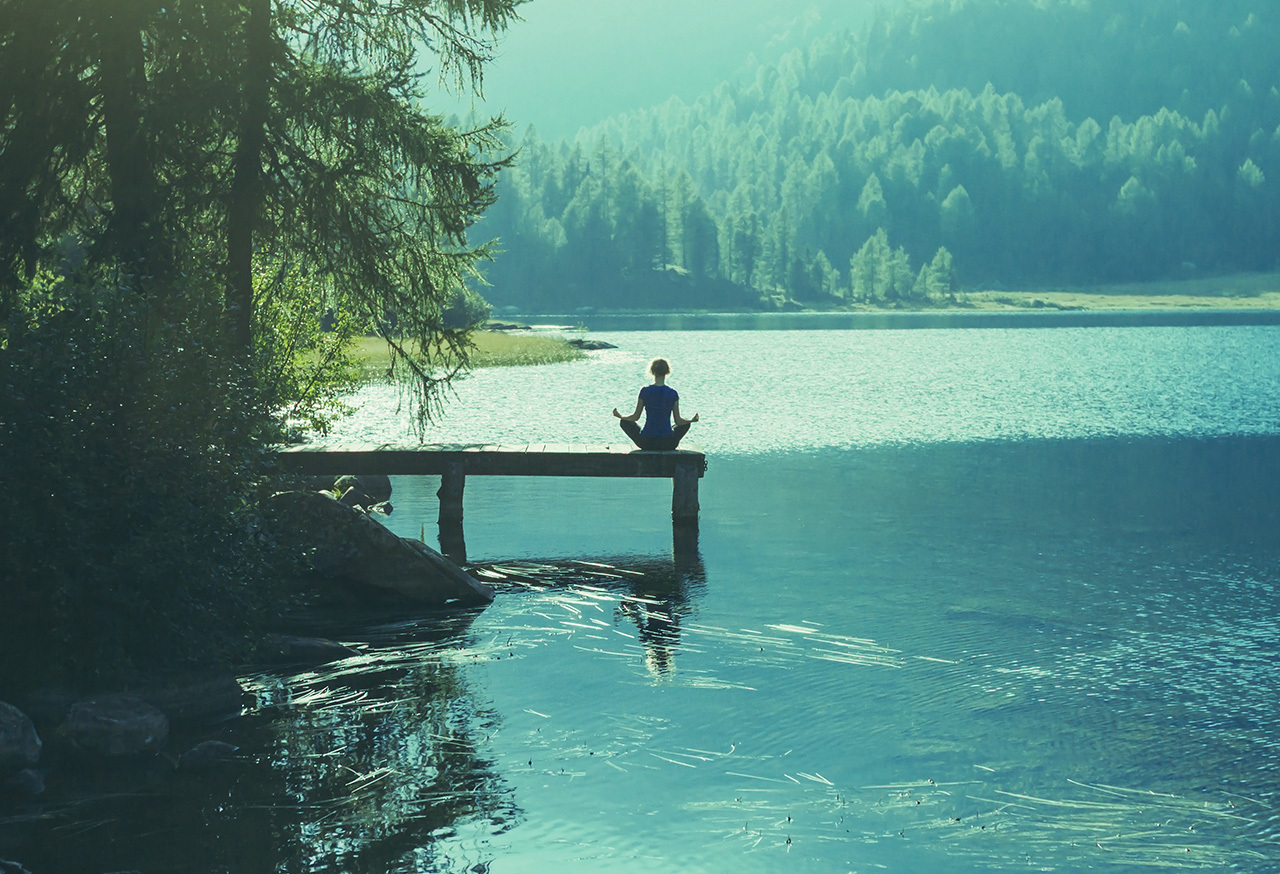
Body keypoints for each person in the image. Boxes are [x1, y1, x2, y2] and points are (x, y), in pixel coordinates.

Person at [613, 358, 699, 450]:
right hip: (668, 442)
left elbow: (635, 417)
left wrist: (621, 417)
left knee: (624, 422)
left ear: (652, 372)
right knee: (685, 423)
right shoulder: (673, 393)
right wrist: (691, 420)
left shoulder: (645, 391)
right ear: (667, 372)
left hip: (646, 442)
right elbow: (678, 421)